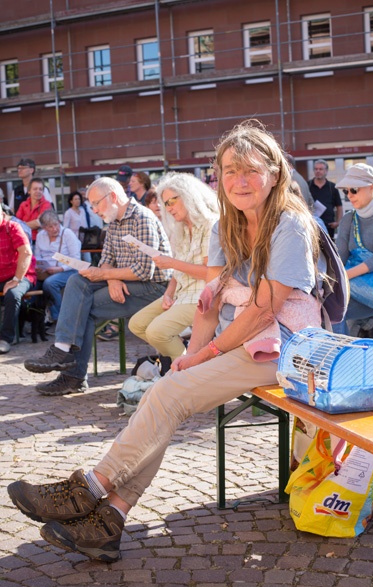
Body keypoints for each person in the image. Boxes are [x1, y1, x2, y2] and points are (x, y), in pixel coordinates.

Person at [8, 120, 323, 562]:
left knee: (166, 394)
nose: (240, 181)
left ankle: (89, 490)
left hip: (287, 346)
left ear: (274, 173)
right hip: (246, 339)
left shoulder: (289, 224)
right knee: (165, 393)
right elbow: (210, 303)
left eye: (251, 170)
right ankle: (109, 521)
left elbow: (264, 312)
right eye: (230, 171)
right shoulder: (226, 227)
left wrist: (206, 354)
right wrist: (191, 355)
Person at [22, 176, 173, 396]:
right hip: (129, 281)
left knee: (86, 309)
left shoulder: (142, 218)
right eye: (91, 204)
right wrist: (111, 278)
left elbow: (144, 270)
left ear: (113, 197)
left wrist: (106, 274)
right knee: (76, 280)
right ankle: (63, 350)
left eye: (96, 203)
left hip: (154, 288)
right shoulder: (114, 221)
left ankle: (72, 374)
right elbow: (106, 260)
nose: (93, 210)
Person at [128, 172, 219, 363]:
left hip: (204, 297)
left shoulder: (210, 224)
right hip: (182, 294)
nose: (168, 209)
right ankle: (188, 358)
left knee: (157, 332)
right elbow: (178, 274)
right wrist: (169, 293)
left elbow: (211, 274)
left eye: (172, 201)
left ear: (188, 196)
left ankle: (188, 370)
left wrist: (171, 263)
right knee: (137, 324)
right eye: (165, 204)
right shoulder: (183, 228)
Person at [332, 163, 373, 335]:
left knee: (336, 311)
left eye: (354, 189)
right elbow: (339, 257)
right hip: (354, 280)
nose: (349, 195)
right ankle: (342, 353)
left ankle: (344, 355)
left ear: (372, 187)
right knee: (324, 304)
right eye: (346, 191)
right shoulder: (349, 218)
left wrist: (343, 277)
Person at [0, 203, 36, 354]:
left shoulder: (12, 227)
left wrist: (16, 279)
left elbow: (26, 253)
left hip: (21, 275)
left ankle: (6, 338)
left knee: (12, 295)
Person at [34, 210, 82, 324]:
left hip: (68, 270)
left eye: (56, 224)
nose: (55, 229)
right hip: (46, 271)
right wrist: (39, 266)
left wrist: (60, 269)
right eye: (50, 226)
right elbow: (37, 256)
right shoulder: (41, 236)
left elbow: (76, 260)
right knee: (32, 282)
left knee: (50, 283)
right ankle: (38, 318)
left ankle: (60, 317)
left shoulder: (67, 234)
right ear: (44, 227)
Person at [308, 159, 343, 238]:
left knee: (328, 249)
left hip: (329, 225)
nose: (318, 171)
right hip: (312, 225)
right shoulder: (308, 185)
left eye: (320, 169)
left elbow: (339, 206)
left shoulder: (332, 187)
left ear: (326, 171)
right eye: (316, 169)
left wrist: (338, 222)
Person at [15, 178, 53, 244]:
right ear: (29, 191)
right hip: (24, 239)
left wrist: (22, 224)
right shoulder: (23, 205)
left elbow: (40, 222)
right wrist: (31, 224)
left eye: (40, 189)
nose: (38, 191)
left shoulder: (46, 204)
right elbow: (16, 224)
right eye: (35, 189)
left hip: (41, 240)